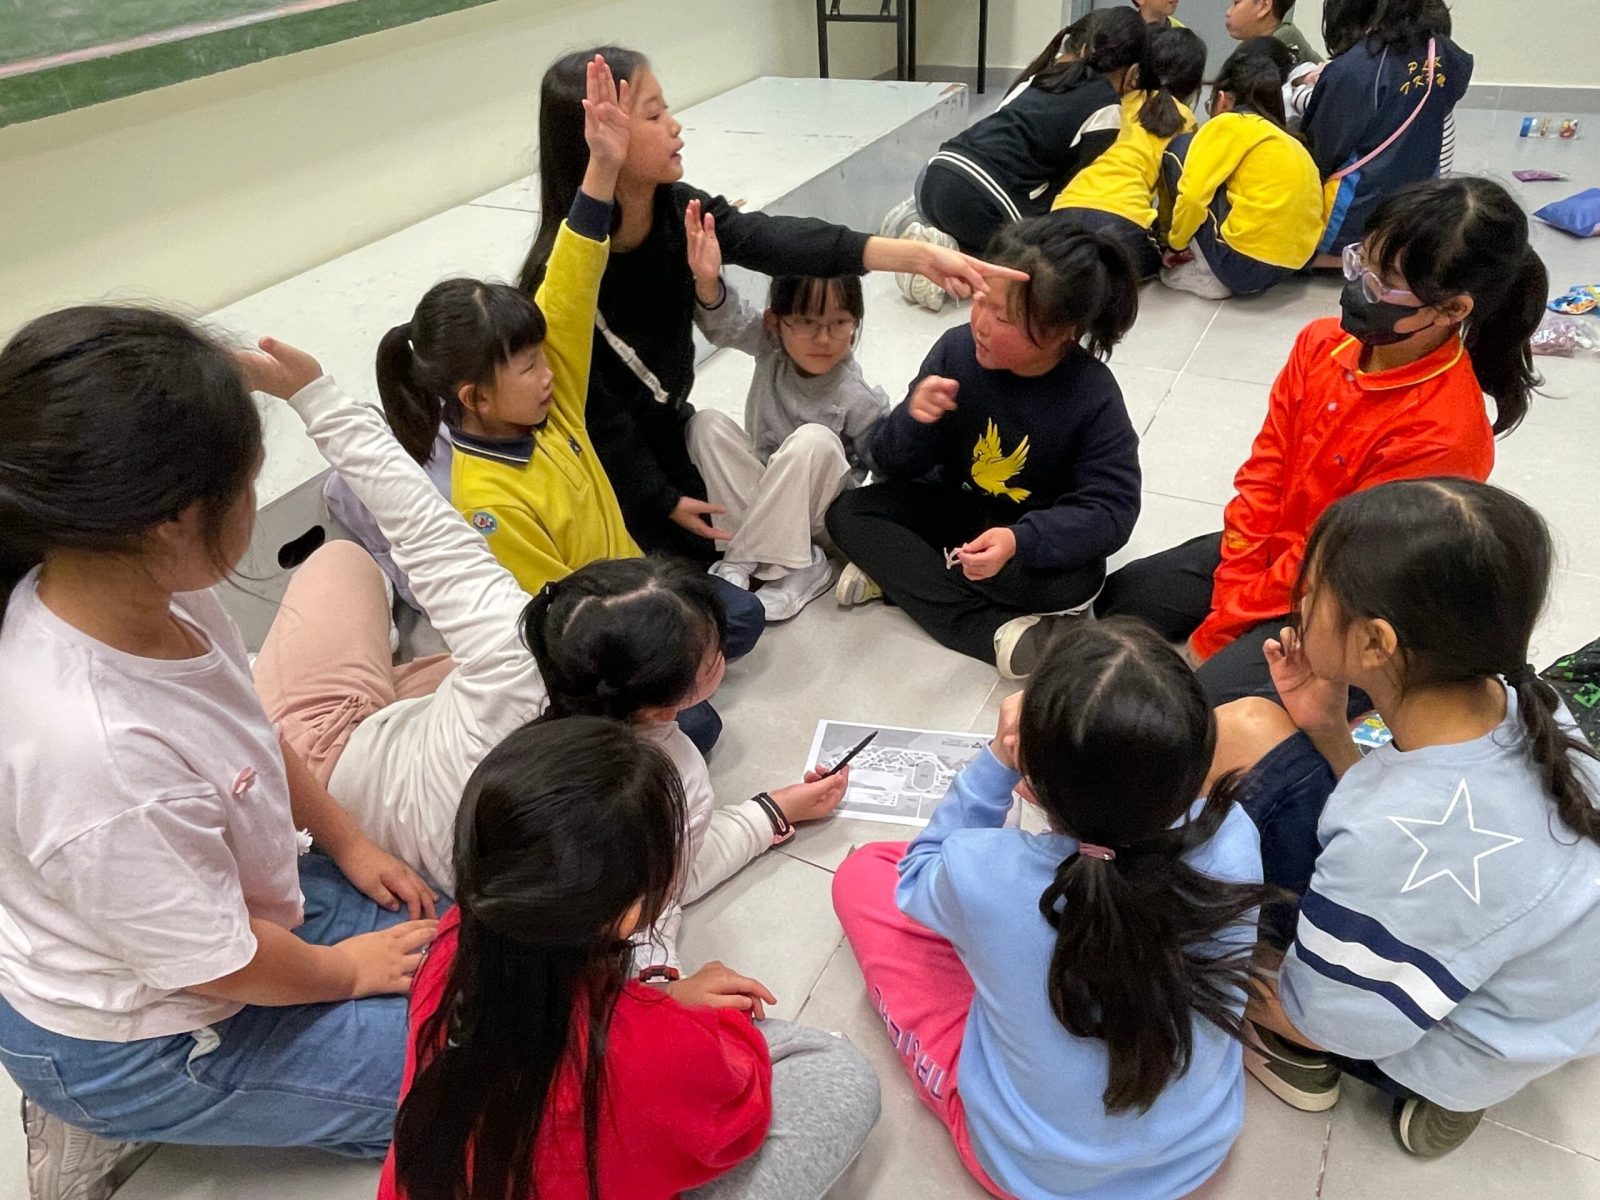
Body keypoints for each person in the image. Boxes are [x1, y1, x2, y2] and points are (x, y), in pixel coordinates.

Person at [0, 306, 439, 1200]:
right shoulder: (95, 751)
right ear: (171, 517)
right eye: (246, 481)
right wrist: (344, 970)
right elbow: (218, 964)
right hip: (147, 1033)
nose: (253, 497)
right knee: (477, 1086)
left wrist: (349, 842)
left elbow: (244, 734)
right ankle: (91, 1116)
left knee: (475, 958)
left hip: (223, 919)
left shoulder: (148, 584)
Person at [365, 54, 756, 754]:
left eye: (544, 357)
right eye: (528, 367)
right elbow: (559, 628)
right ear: (475, 396)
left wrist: (602, 165)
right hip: (593, 644)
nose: (551, 374)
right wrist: (653, 642)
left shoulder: (552, 399)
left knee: (741, 618)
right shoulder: (487, 499)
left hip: (632, 580)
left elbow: (572, 278)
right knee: (698, 723)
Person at [1210, 480, 1600, 1159]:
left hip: (1440, 1041)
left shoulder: (1393, 835)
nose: (1299, 604)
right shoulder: (1532, 707)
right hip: (1541, 1011)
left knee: (1241, 745)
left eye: (1313, 589)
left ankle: (1407, 1082)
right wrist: (1330, 729)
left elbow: (1327, 1017)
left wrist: (1200, 957)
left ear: (1375, 643)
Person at [516, 48, 1018, 567]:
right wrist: (659, 498)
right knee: (684, 572)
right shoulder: (561, 278)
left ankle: (773, 561)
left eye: (666, 110)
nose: (675, 126)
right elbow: (600, 418)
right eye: (654, 114)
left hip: (669, 442)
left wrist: (913, 256)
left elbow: (770, 239)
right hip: (613, 470)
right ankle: (781, 562)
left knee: (745, 496)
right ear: (599, 141)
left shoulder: (676, 208)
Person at [833, 619, 1267, 1199]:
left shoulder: (984, 871)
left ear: (1032, 781)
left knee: (864, 875)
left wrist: (995, 760)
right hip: (1195, 1155)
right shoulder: (1235, 839)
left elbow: (914, 877)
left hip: (1030, 1173)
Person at [382, 717, 881, 1200]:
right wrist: (692, 1020)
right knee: (836, 1073)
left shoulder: (450, 947)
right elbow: (736, 1113)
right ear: (626, 914)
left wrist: (662, 998)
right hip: (648, 1080)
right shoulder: (654, 1050)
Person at [1098, 175, 1547, 708]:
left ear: (1453, 309)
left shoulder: (1444, 433)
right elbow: (1265, 470)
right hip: (1280, 544)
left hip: (1348, 593)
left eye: (1384, 282)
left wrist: (1222, 628)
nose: (1360, 286)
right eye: (1363, 261)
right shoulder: (1322, 342)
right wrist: (1234, 583)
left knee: (1207, 706)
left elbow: (1338, 560)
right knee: (1123, 602)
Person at [827, 217, 1142, 681]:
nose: (981, 324)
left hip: (1025, 541)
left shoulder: (1092, 395)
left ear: (1061, 332)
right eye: (979, 300)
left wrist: (1020, 540)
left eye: (1004, 317)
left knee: (1076, 584)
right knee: (848, 513)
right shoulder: (955, 352)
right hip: (956, 516)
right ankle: (988, 630)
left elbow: (1112, 510)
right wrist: (914, 419)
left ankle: (901, 578)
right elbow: (890, 464)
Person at [521, 558, 852, 977]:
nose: (723, 655)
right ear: (659, 704)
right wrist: (666, 990)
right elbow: (662, 898)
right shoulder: (671, 776)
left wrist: (777, 809)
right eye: (714, 655)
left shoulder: (529, 716)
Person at [685, 215, 891, 621]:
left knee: (814, 440)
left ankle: (793, 565)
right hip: (764, 494)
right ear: (775, 323)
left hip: (818, 520)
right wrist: (708, 282)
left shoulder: (856, 395)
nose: (824, 338)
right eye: (807, 323)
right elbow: (726, 325)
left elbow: (886, 466)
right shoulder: (771, 348)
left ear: (854, 325)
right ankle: (757, 555)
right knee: (705, 424)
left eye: (839, 323)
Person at [913, 8, 1147, 257]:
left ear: (1083, 49)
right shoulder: (1108, 108)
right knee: (1037, 259)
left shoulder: (1041, 77)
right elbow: (1069, 183)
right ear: (1133, 71)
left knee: (989, 226)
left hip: (935, 176)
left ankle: (939, 238)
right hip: (981, 198)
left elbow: (999, 117)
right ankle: (955, 249)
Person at [1305, 0, 1471, 262]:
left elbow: (1321, 151)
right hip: (1417, 208)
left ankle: (1337, 258)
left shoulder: (1356, 67)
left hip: (1352, 220)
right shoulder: (1448, 53)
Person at [1159, 39, 1325, 299]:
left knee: (1181, 150)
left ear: (1223, 99)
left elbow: (1191, 196)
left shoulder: (1228, 124)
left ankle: (1205, 271)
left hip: (1240, 264)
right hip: (1292, 266)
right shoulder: (1290, 141)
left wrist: (1175, 244)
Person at [1052, 26, 1208, 279]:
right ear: (1192, 82)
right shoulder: (1183, 118)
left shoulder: (1112, 99)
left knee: (1073, 268)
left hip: (1063, 214)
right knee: (1143, 263)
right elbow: (1172, 192)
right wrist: (1170, 240)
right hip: (1124, 224)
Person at [1225, 0, 1323, 66]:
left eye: (1236, 3)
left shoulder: (1282, 40)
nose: (1228, 12)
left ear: (1264, 6)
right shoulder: (1249, 46)